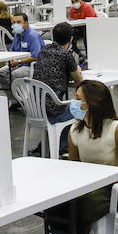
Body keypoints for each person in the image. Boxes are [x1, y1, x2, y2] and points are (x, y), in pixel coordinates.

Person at [40, 80, 118, 234]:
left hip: (115, 190)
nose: (72, 104)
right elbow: (74, 166)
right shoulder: (76, 130)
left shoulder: (117, 129)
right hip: (86, 187)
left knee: (83, 203)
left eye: (78, 99)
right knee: (55, 201)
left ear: (93, 103)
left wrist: (106, 179)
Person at [30, 21, 83, 156]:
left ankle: (53, 142)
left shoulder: (44, 51)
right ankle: (64, 145)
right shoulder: (66, 55)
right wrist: (78, 69)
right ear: (71, 40)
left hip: (34, 107)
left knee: (66, 105)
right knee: (81, 107)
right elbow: (79, 80)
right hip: (52, 110)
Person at [0, 10, 43, 90]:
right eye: (13, 22)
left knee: (15, 74)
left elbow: (36, 57)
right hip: (19, 64)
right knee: (0, 73)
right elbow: (12, 52)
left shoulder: (33, 36)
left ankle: (20, 98)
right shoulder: (17, 35)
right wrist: (13, 60)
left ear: (26, 24)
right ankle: (14, 99)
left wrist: (19, 61)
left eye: (18, 22)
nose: (15, 25)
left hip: (32, 65)